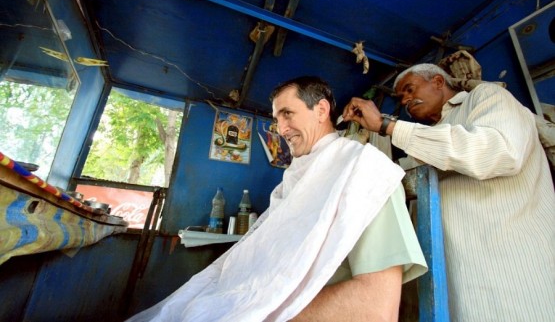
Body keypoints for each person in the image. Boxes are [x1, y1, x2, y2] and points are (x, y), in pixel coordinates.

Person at [127, 76, 426, 322]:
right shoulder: (292, 181)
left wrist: (263, 315)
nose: (281, 129)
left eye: (288, 114)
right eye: (276, 119)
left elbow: (374, 309)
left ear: (321, 110)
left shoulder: (363, 170)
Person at [342, 63, 555, 322]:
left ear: (438, 82)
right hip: (456, 282)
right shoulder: (428, 139)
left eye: (409, 90)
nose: (406, 100)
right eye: (401, 98)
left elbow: (500, 151)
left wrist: (388, 125)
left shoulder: (487, 97)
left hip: (510, 274)